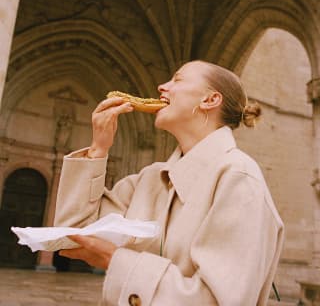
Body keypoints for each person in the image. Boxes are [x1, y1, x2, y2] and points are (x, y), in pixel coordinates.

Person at [54, 60, 284, 306]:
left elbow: (218, 301)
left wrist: (117, 261)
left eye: (177, 79)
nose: (161, 86)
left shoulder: (239, 179)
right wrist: (98, 150)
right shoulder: (148, 179)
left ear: (210, 100)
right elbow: (71, 236)